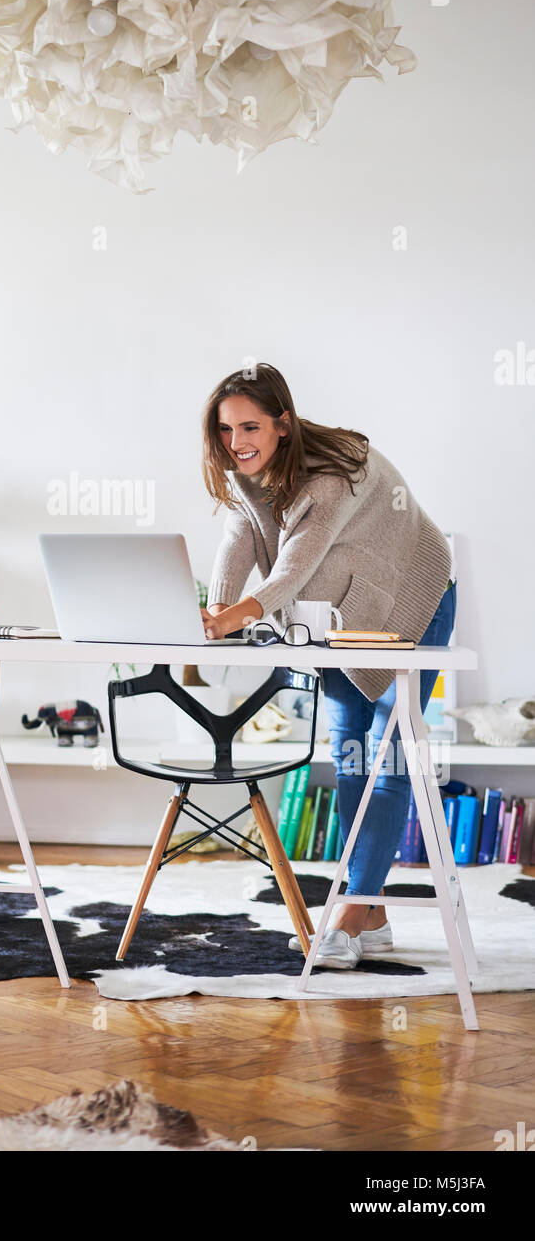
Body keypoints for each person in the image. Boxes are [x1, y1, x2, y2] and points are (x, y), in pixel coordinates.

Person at [202, 364, 455, 969]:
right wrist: (214, 606)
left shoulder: (333, 474)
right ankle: (372, 914)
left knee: (389, 749)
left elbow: (292, 568)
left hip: (416, 596)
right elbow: (240, 536)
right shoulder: (249, 476)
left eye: (251, 426)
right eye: (227, 429)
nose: (237, 442)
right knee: (348, 749)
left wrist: (233, 617)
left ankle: (345, 909)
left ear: (283, 424)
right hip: (343, 610)